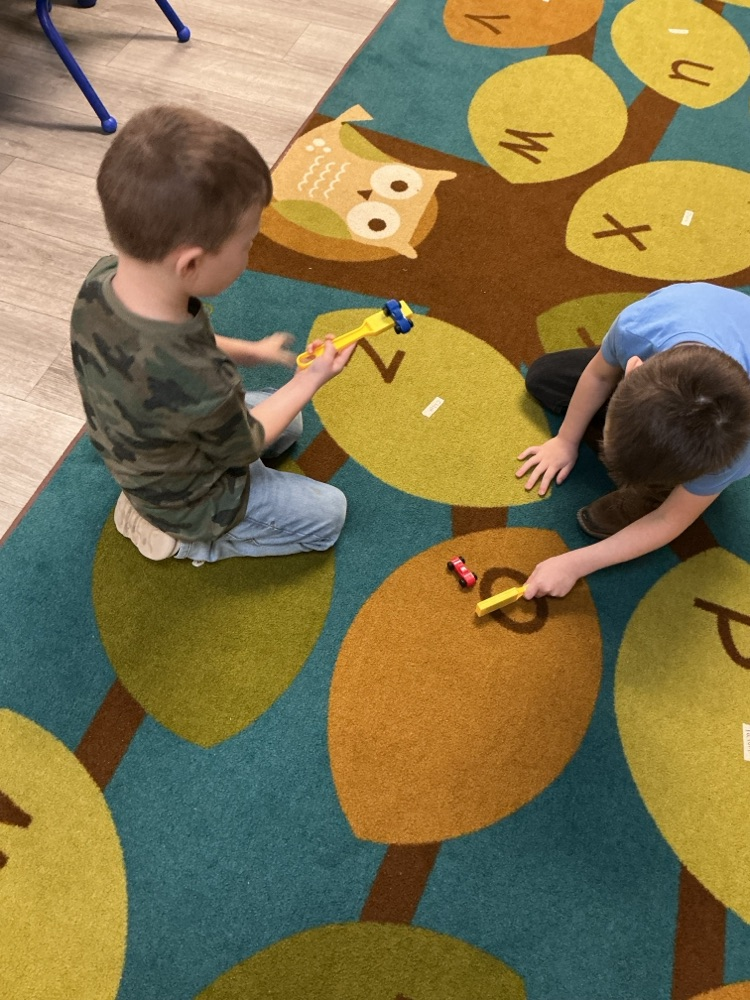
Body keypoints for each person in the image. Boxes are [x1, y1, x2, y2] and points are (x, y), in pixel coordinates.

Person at [70, 104, 354, 564]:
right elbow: (249, 443)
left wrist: (253, 352)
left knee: (292, 424)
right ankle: (185, 539)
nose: (250, 254)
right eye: (247, 245)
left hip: (145, 450)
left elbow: (180, 349)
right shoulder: (200, 378)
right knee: (328, 516)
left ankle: (154, 505)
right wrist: (310, 380)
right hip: (192, 499)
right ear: (192, 264)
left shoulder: (103, 280)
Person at [516, 282, 750, 599]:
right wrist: (565, 440)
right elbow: (599, 375)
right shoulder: (639, 327)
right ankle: (645, 441)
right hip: (689, 339)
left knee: (668, 484)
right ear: (633, 367)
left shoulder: (738, 445)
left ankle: (657, 483)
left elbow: (670, 519)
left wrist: (575, 564)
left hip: (719, 389)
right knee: (545, 376)